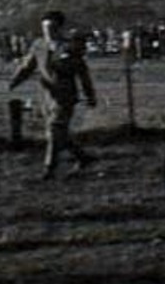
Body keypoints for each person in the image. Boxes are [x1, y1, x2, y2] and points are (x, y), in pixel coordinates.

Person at [9, 10, 98, 179]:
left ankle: (49, 168)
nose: (48, 31)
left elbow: (82, 73)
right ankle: (82, 157)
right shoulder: (38, 45)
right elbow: (28, 66)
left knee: (54, 129)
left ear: (59, 28)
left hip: (65, 95)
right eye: (45, 27)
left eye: (51, 27)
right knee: (58, 133)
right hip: (47, 95)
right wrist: (14, 81)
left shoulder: (69, 47)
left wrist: (89, 94)